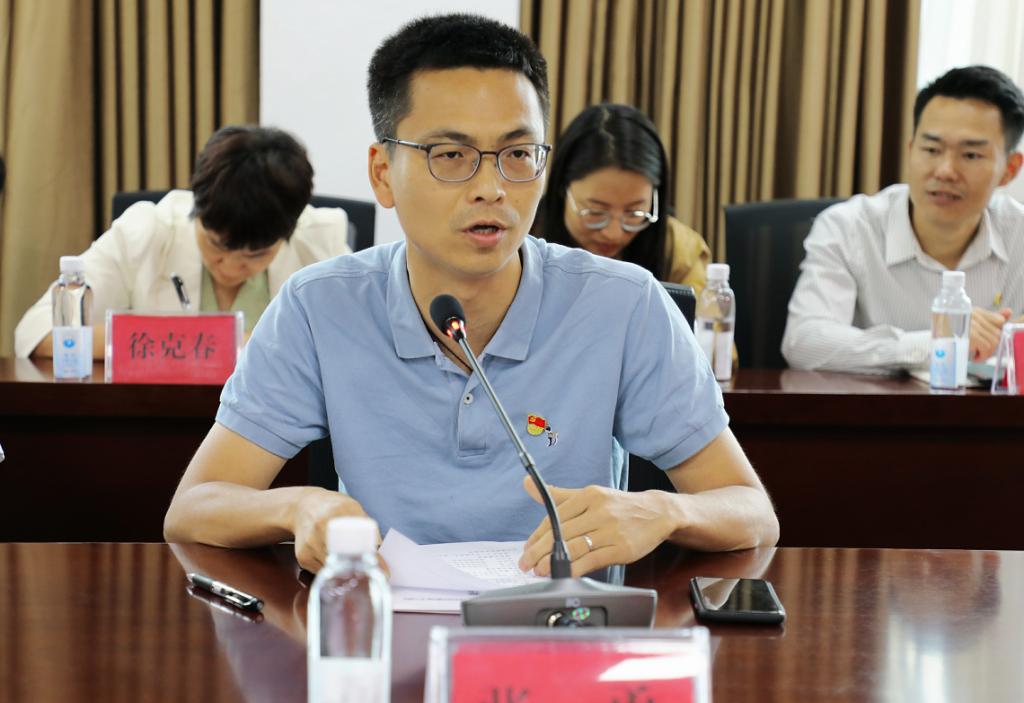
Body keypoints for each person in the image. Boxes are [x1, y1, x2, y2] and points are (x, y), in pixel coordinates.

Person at [164, 13, 778, 575]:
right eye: (451, 155)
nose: (491, 187)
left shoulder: (625, 305)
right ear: (383, 173)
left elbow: (752, 511)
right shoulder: (318, 307)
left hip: (565, 636)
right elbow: (193, 508)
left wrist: (664, 512)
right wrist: (296, 508)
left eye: (517, 154)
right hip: (386, 636)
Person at [14, 125, 350, 360]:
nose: (231, 267)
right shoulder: (146, 231)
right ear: (197, 210)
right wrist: (217, 346)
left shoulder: (319, 242)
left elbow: (356, 349)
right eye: (217, 245)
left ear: (289, 231)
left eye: (256, 254)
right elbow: (37, 333)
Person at [783, 65, 1024, 373]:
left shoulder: (1018, 233)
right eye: (931, 149)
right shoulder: (849, 228)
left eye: (970, 155)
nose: (945, 171)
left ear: (1010, 169)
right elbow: (804, 342)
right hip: (872, 404)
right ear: (911, 151)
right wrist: (935, 343)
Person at [536, 103, 711, 290]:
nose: (614, 234)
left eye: (634, 213)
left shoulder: (678, 251)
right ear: (563, 189)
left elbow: (700, 308)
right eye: (596, 212)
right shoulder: (523, 238)